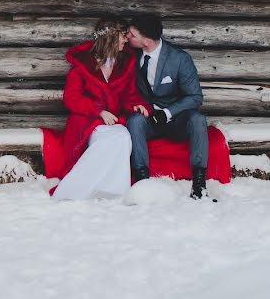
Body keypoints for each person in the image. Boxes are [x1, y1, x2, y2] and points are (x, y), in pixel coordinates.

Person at [52, 17, 150, 200]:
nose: (126, 40)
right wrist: (98, 111)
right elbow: (71, 98)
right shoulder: (82, 66)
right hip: (87, 121)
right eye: (122, 35)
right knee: (111, 139)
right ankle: (76, 189)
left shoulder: (124, 64)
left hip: (113, 120)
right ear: (111, 38)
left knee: (122, 138)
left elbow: (130, 94)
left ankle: (112, 191)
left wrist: (136, 104)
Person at [125, 14, 209, 199]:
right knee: (135, 121)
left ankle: (199, 184)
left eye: (132, 34)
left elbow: (195, 97)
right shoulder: (130, 55)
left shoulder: (179, 59)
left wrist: (168, 112)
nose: (127, 37)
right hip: (148, 119)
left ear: (146, 41)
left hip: (175, 121)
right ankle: (142, 181)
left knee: (198, 120)